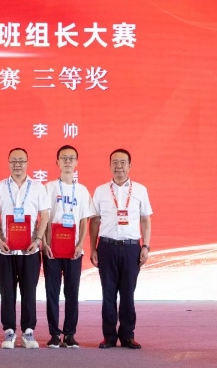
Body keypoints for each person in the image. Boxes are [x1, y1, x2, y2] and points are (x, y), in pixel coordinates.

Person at [0, 148, 50, 349]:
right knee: (7, 292)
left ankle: (28, 331)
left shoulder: (38, 187)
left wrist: (37, 240)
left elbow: (45, 216)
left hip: (30, 249)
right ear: (8, 163)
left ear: (27, 163)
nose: (17, 165)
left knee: (29, 291)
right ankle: (9, 331)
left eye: (21, 161)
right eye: (13, 161)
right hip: (5, 250)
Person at [89, 148, 153, 349]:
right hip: (106, 247)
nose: (119, 166)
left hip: (131, 249)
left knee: (127, 294)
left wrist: (146, 246)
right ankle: (109, 336)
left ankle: (127, 335)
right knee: (108, 294)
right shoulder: (100, 191)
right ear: (110, 166)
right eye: (115, 162)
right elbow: (94, 221)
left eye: (123, 162)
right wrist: (93, 248)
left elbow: (145, 220)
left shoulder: (140, 190)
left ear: (130, 166)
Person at [42, 145, 96, 349]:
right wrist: (44, 243)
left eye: (71, 158)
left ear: (76, 163)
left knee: (72, 292)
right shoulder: (48, 188)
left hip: (74, 250)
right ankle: (54, 334)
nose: (67, 161)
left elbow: (84, 220)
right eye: (63, 158)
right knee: (52, 292)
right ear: (57, 162)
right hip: (52, 249)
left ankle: (70, 334)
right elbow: (44, 218)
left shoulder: (82, 191)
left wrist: (80, 244)